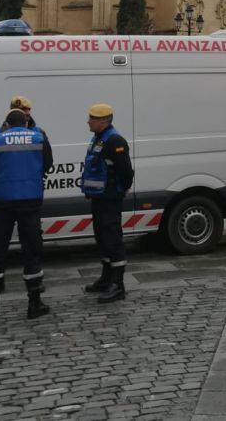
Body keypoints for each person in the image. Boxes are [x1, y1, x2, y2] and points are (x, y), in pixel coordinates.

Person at [0, 108, 53, 322]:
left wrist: (3, 178)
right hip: (31, 201)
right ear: (26, 123)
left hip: (3, 202)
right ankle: (34, 303)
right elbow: (48, 164)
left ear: (7, 124)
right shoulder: (39, 137)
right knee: (32, 249)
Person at [80, 103, 133, 303]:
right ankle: (106, 279)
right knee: (102, 238)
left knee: (112, 239)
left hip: (110, 198)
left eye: (92, 119)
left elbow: (126, 171)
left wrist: (121, 189)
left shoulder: (115, 140)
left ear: (103, 121)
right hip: (99, 197)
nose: (88, 121)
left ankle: (118, 285)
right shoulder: (98, 138)